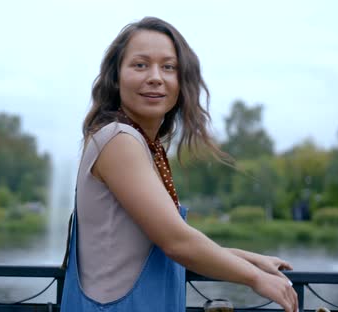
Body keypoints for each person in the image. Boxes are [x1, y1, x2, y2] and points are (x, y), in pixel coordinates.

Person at [60, 16, 299, 312]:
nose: (156, 77)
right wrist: (254, 278)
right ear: (115, 76)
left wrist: (248, 259)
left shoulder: (141, 144)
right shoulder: (119, 139)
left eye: (169, 67)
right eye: (140, 65)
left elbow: (155, 244)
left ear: (181, 80)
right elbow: (176, 241)